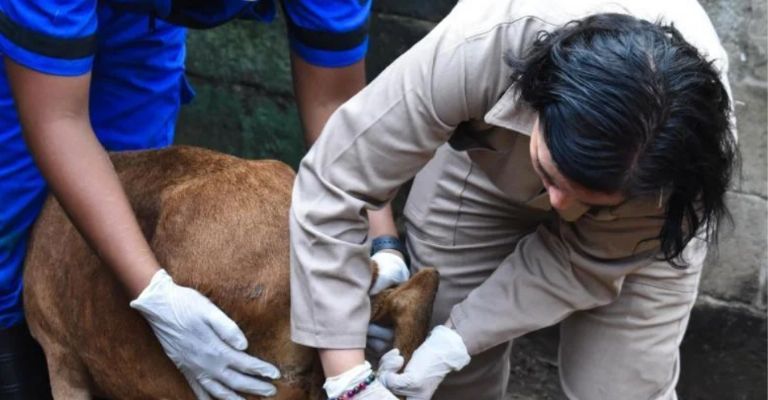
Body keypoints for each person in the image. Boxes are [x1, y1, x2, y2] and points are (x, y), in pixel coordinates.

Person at [289, 0, 737, 399]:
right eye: (552, 177)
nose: (562, 208)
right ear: (538, 98)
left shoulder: (685, 170)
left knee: (622, 388)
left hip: (634, 226)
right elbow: (336, 183)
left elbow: (582, 262)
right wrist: (349, 381)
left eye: (593, 203)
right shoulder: (480, 46)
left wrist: (456, 341)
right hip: (490, 156)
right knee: (445, 363)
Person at [0, 1, 376, 399]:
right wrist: (154, 294)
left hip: (148, 22)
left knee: (131, 206)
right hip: (45, 16)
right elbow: (58, 120)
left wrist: (381, 248)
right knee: (10, 217)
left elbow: (337, 109)